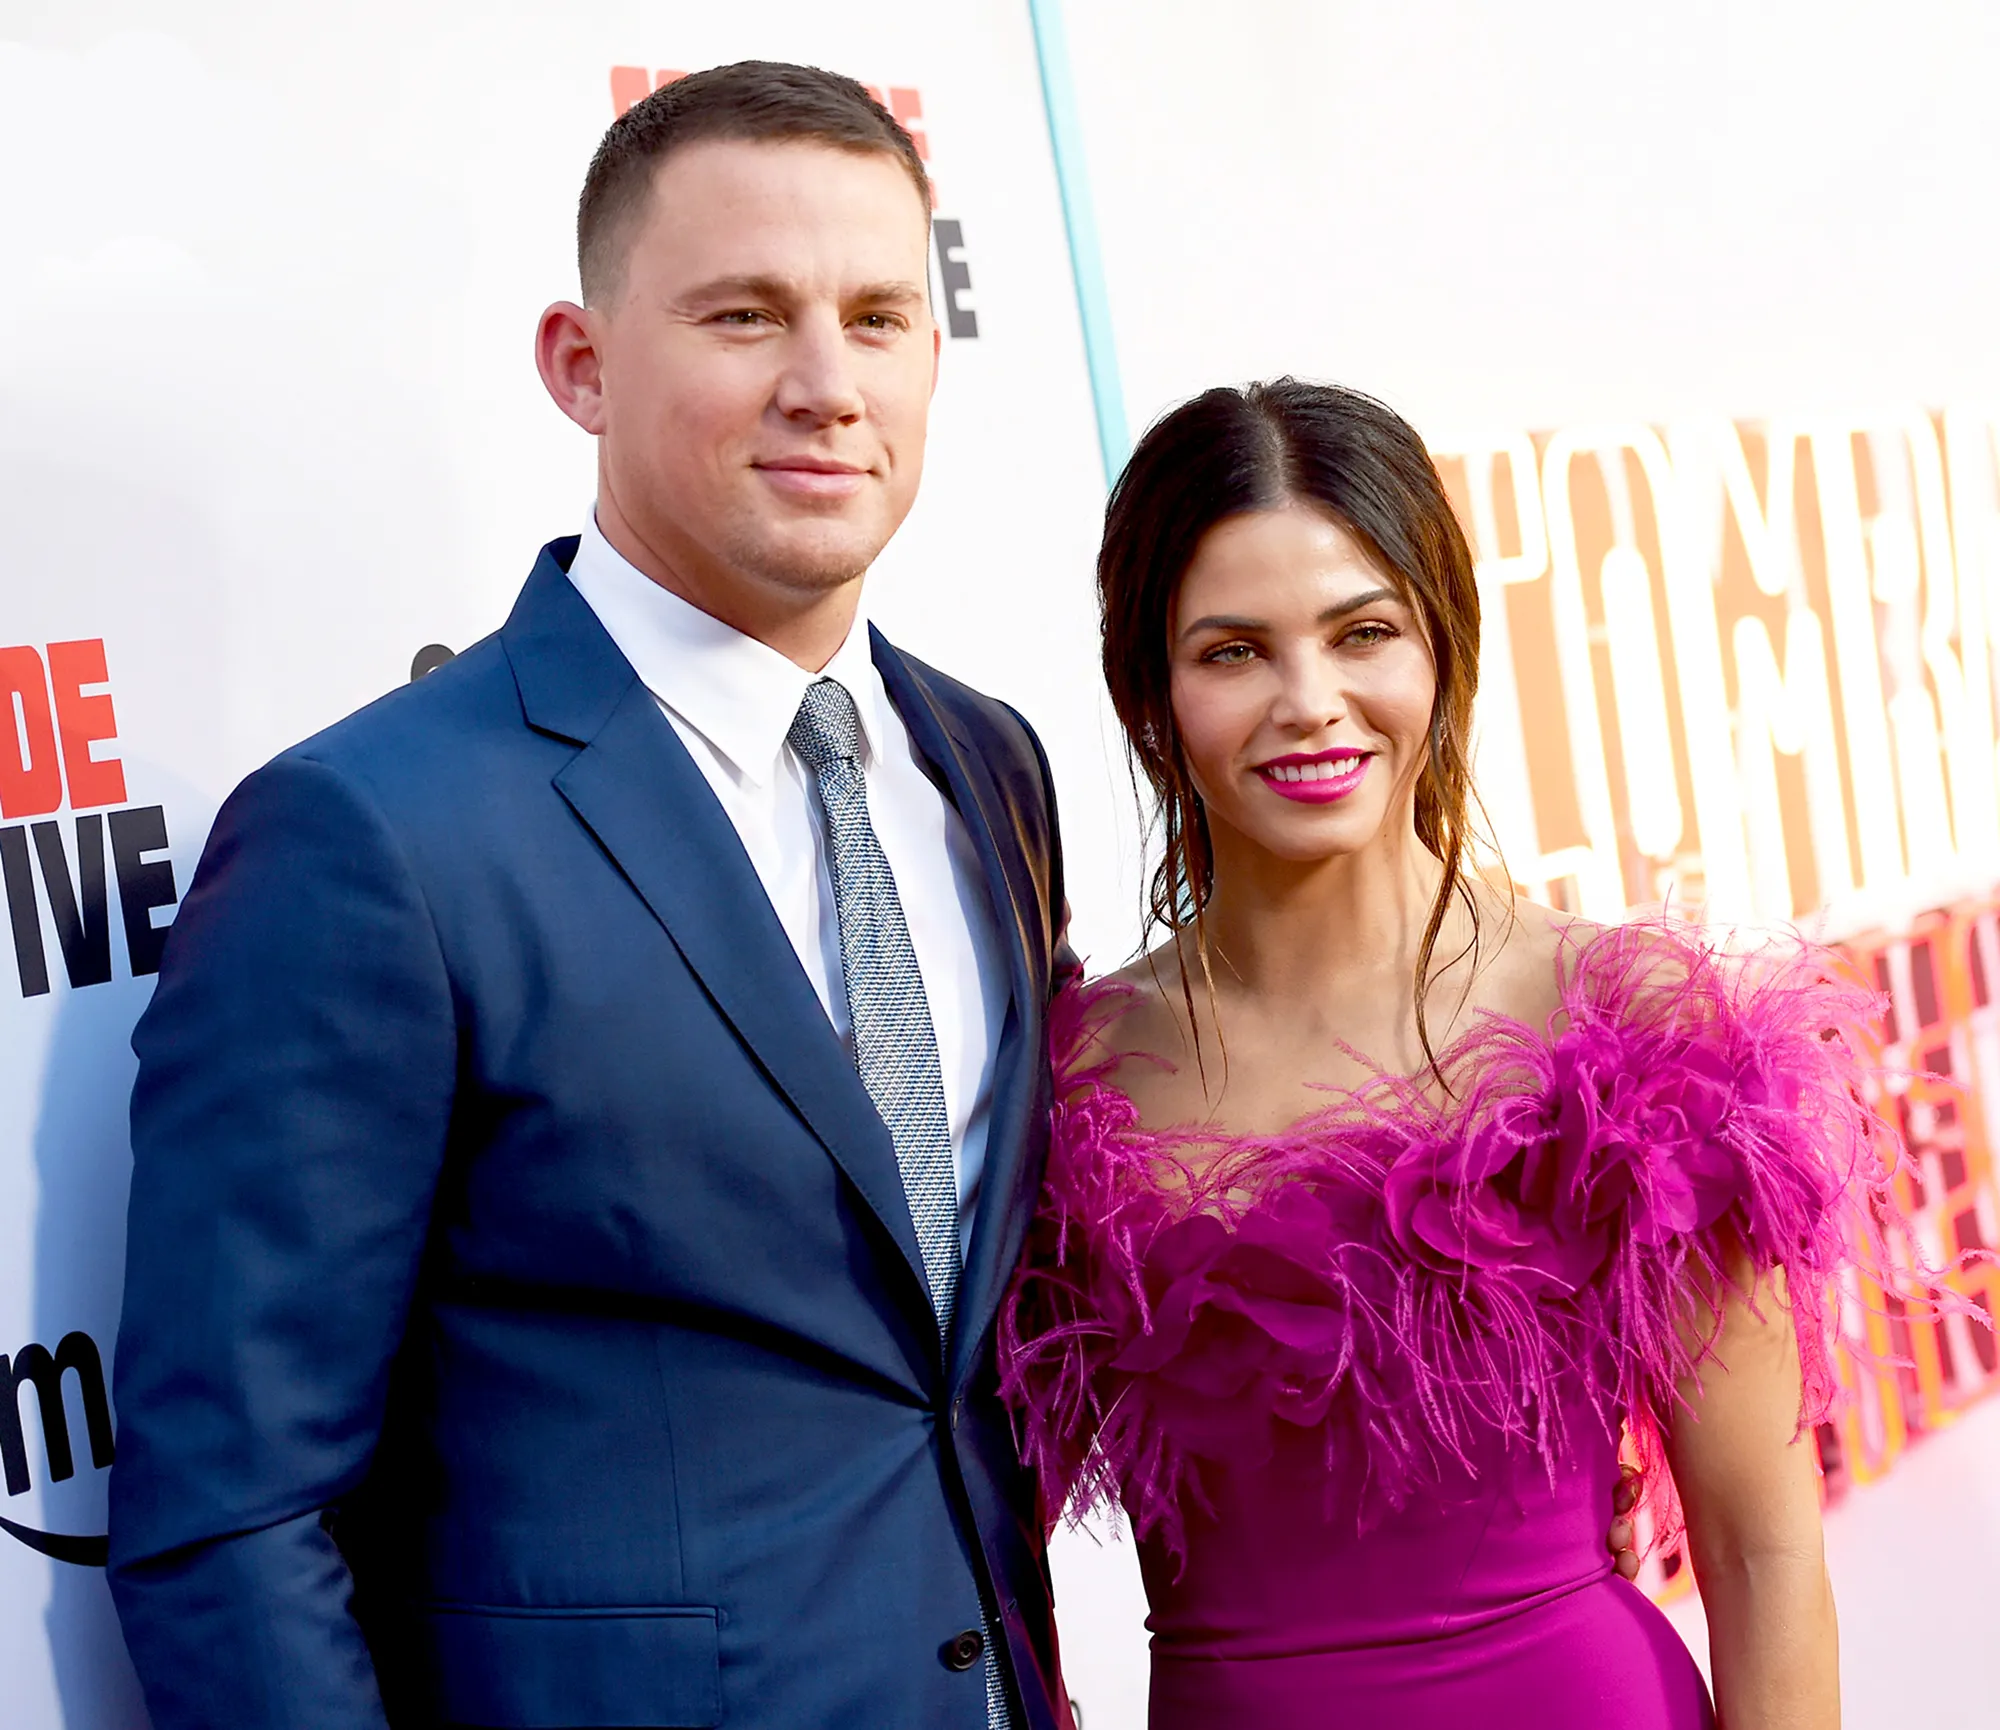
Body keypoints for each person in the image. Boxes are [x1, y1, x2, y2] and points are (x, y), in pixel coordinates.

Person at [107, 64, 1074, 1730]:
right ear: (582, 364)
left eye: (880, 317)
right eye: (744, 316)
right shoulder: (374, 836)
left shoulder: (985, 766)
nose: (827, 385)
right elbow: (232, 1517)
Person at [999, 379, 1884, 1728]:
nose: (1312, 701)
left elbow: (1765, 1556)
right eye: (1234, 651)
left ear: (1443, 653)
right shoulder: (1073, 1079)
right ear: (1149, 692)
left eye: (1365, 633)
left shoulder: (1629, 1022)